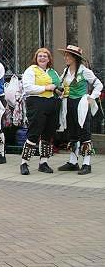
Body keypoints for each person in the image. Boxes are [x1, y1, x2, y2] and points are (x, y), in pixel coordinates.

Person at [56, 45, 103, 175]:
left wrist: (91, 97)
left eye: (68, 55)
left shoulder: (84, 71)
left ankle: (87, 163)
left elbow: (98, 84)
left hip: (81, 104)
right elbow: (60, 85)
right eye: (65, 55)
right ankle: (73, 161)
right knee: (72, 132)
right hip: (69, 103)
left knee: (84, 132)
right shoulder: (65, 72)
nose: (65, 57)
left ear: (75, 58)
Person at [19, 48, 62, 175]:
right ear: (36, 58)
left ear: (49, 59)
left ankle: (44, 162)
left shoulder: (53, 72)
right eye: (40, 56)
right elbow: (28, 88)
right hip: (37, 103)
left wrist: (59, 90)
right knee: (34, 133)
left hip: (53, 104)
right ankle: (24, 163)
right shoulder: (31, 70)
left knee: (48, 135)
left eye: (45, 56)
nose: (42, 58)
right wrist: (46, 87)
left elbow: (59, 86)